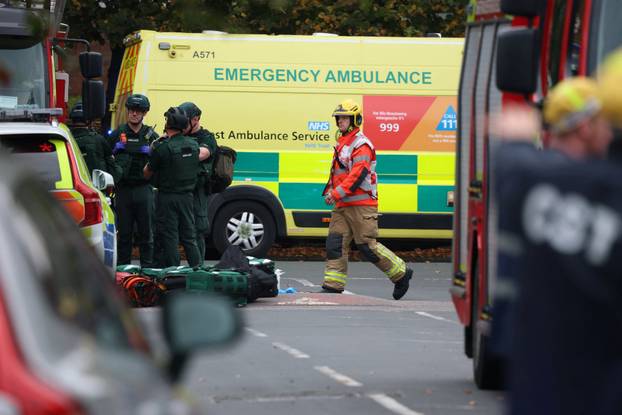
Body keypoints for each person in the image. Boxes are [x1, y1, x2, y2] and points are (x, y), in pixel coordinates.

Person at [490, 76, 618, 413]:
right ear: (586, 126)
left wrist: (514, 141)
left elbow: (511, 166)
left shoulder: (531, 184)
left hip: (532, 364)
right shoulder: (599, 191)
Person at [320, 99, 413, 300]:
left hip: (361, 205)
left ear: (355, 119)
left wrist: (335, 194)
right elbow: (340, 173)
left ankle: (401, 274)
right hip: (343, 205)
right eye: (339, 117)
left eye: (344, 118)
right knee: (335, 243)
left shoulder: (361, 144)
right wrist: (332, 190)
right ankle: (333, 285)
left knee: (367, 247)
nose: (340, 121)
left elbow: (356, 176)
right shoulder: (344, 142)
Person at [143, 107, 210, 268]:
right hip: (187, 197)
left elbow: (146, 173)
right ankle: (198, 270)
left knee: (170, 237)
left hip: (167, 197)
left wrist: (152, 152)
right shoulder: (194, 145)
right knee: (189, 236)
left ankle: (173, 273)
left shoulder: (163, 148)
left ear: (168, 125)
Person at [108, 94, 158, 267]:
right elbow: (106, 159)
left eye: (138, 111)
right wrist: (114, 151)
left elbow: (161, 162)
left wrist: (152, 152)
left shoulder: (152, 136)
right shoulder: (117, 134)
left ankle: (148, 272)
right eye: (131, 110)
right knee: (124, 235)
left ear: (144, 113)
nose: (134, 114)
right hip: (124, 190)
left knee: (147, 235)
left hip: (144, 190)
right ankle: (123, 273)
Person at [178, 101, 218, 262]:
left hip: (196, 191)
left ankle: (198, 269)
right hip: (177, 190)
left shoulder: (206, 137)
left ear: (195, 120)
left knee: (196, 232)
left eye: (184, 120)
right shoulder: (178, 135)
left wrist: (176, 150)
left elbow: (202, 154)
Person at [68, 102, 120, 182]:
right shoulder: (99, 139)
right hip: (96, 189)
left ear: (72, 120)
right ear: (88, 121)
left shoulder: (66, 140)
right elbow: (113, 168)